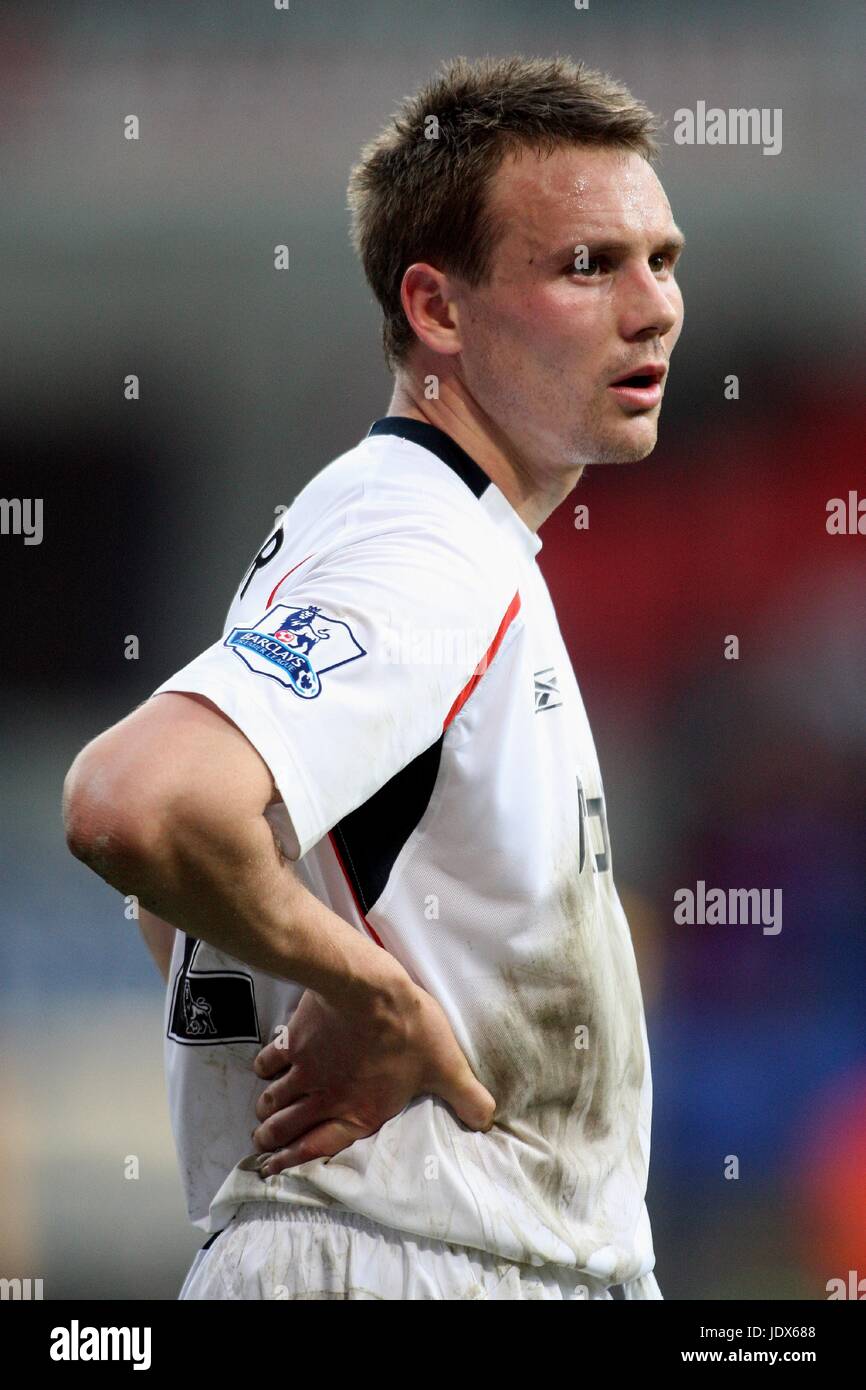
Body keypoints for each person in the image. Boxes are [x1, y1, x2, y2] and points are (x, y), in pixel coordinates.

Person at [63, 53, 685, 1300]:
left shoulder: (408, 525)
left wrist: (296, 975)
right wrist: (368, 995)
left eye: (660, 259)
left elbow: (175, 901)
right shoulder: (421, 543)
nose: (654, 307)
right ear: (437, 311)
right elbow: (134, 802)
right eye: (586, 266)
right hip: (421, 1261)